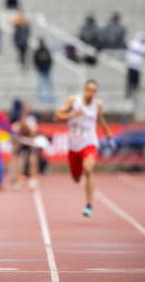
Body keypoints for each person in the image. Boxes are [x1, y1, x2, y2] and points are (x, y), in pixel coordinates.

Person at [54, 80, 113, 217]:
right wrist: (73, 115)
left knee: (89, 168)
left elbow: (99, 118)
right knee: (76, 178)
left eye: (94, 91)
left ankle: (89, 205)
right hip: (74, 145)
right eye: (89, 90)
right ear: (84, 89)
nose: (91, 93)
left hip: (89, 143)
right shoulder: (73, 101)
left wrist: (107, 131)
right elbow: (57, 117)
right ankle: (78, 171)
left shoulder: (97, 104)